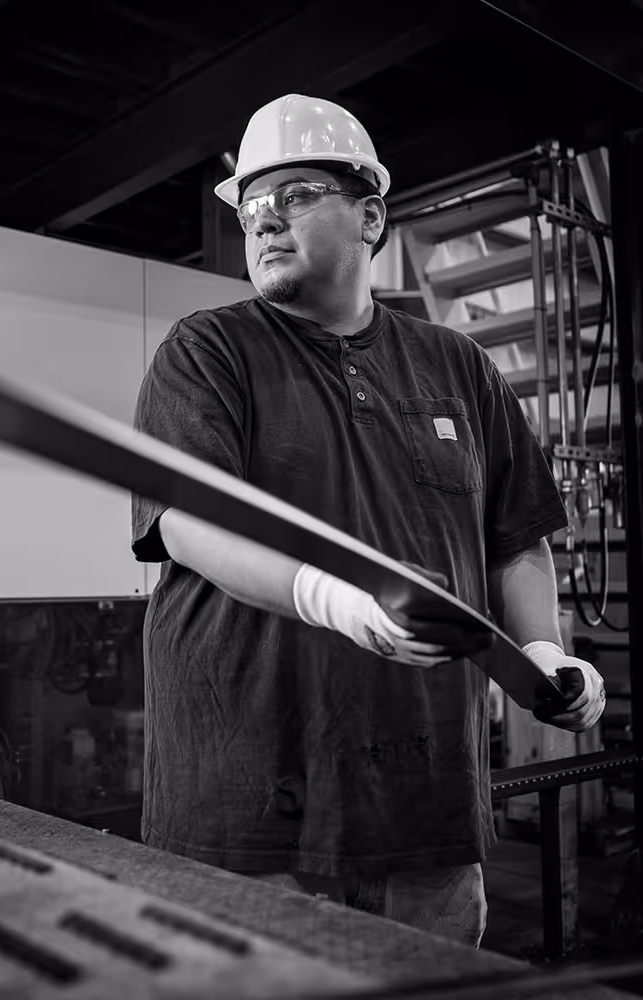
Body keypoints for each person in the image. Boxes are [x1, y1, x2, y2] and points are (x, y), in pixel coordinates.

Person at [130, 94, 606, 948]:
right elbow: (185, 521)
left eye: (298, 194)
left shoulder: (457, 364)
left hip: (425, 805)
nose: (266, 221)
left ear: (372, 215)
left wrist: (543, 651)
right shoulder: (208, 351)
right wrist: (329, 598)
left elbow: (516, 537)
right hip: (250, 808)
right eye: (251, 206)